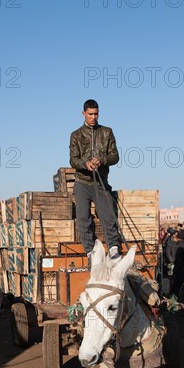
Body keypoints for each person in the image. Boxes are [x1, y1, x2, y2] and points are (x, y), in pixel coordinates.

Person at [69, 99, 120, 263]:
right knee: (84, 218)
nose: (93, 117)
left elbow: (115, 157)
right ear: (83, 113)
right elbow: (73, 160)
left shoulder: (107, 132)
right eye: (90, 114)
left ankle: (113, 248)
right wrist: (85, 164)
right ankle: (90, 252)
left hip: (100, 182)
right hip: (82, 182)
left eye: (96, 114)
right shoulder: (76, 135)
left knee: (108, 216)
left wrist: (102, 159)